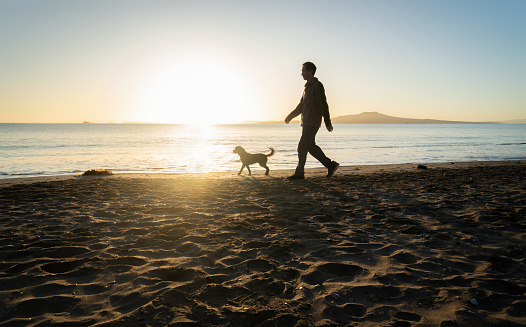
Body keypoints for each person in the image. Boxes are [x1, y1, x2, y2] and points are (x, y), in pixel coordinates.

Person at [285, 61, 339, 179]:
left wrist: (328, 122)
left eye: (303, 71)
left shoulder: (317, 85)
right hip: (306, 122)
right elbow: (301, 106)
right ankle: (330, 165)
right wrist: (290, 116)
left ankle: (299, 173)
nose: (301, 73)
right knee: (310, 147)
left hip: (313, 121)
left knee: (302, 146)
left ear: (310, 71)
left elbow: (323, 104)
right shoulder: (307, 87)